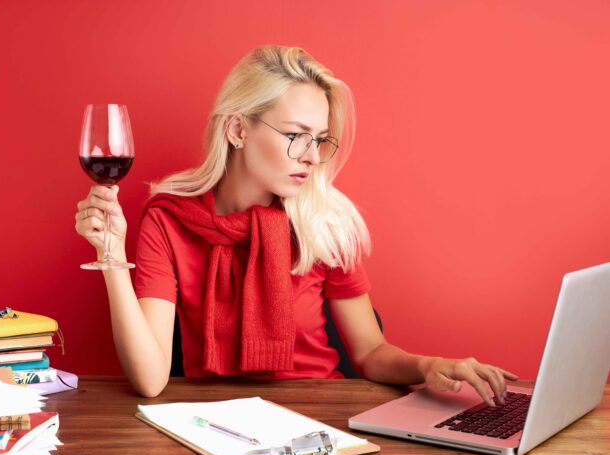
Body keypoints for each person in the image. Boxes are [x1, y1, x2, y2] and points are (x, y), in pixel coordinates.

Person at [74, 45, 518, 399]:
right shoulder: (169, 220)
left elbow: (369, 352)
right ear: (237, 130)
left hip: (321, 420)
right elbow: (150, 382)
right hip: (212, 426)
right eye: (294, 135)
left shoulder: (323, 219)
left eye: (320, 139)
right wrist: (110, 255)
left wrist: (428, 365)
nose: (310, 155)